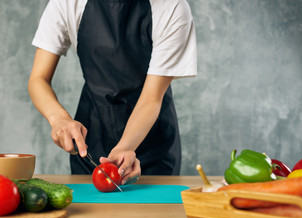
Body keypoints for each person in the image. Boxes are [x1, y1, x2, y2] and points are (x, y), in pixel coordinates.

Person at [28, 0, 197, 185]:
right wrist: (58, 118)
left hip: (153, 143)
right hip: (90, 138)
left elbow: (151, 98)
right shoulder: (67, 3)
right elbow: (38, 79)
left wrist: (125, 147)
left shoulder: (172, 7)